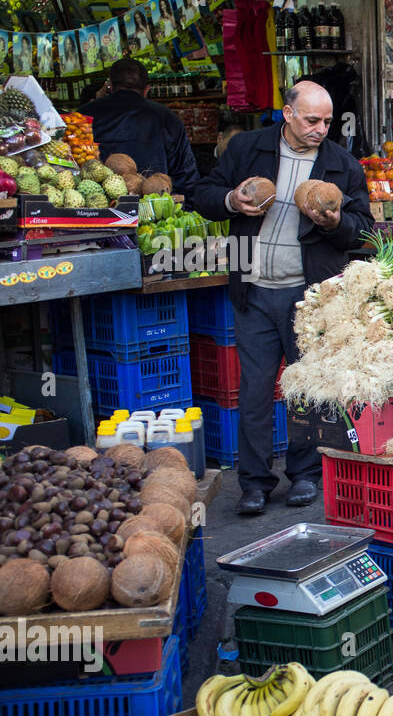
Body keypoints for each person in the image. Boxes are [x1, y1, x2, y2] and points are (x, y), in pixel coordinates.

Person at [191, 81, 372, 515]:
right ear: (287, 114)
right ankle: (253, 482)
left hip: (309, 297)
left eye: (327, 121)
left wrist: (333, 224)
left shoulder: (341, 164)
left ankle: (305, 475)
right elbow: (202, 194)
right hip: (254, 291)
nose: (320, 129)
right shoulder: (247, 149)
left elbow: (363, 226)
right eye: (312, 120)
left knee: (306, 389)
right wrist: (232, 200)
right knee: (254, 389)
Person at [79, 58, 200, 198]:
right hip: (156, 206)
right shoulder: (168, 118)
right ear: (146, 90)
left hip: (100, 207)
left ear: (111, 86)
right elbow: (186, 175)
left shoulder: (84, 116)